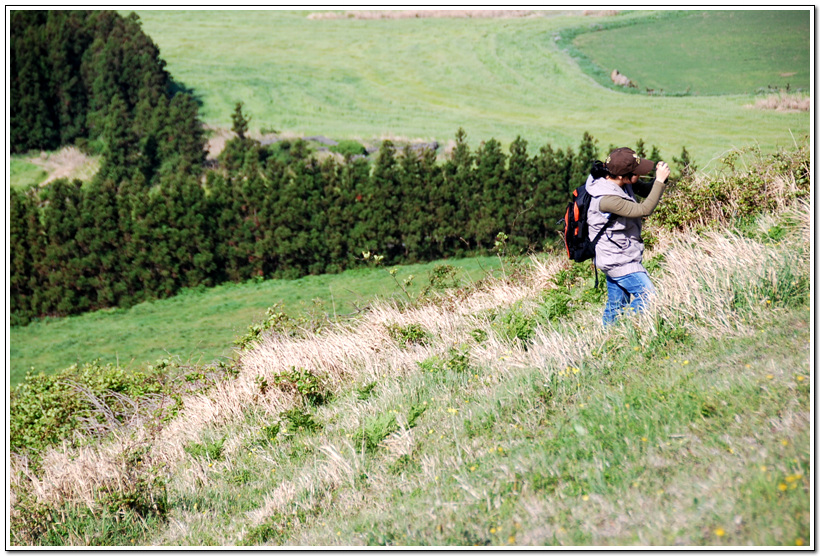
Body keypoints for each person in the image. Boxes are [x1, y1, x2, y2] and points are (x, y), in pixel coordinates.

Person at [586, 147, 671, 325]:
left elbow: (648, 192)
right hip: (617, 259)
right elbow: (644, 209)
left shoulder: (620, 182)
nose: (639, 176)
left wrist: (661, 179)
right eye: (636, 173)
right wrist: (660, 181)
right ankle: (625, 326)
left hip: (620, 253)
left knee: (616, 306)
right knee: (650, 297)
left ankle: (608, 338)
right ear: (622, 176)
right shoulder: (607, 198)